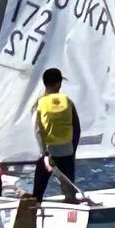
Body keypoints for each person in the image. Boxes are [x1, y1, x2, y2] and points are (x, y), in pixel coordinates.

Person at [32, 67, 79, 200]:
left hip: (49, 153)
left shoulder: (39, 103)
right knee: (69, 191)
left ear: (44, 83)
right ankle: (71, 209)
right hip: (67, 152)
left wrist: (44, 153)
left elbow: (37, 130)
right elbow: (77, 129)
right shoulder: (68, 101)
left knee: (38, 192)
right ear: (59, 83)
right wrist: (72, 150)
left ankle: (35, 208)